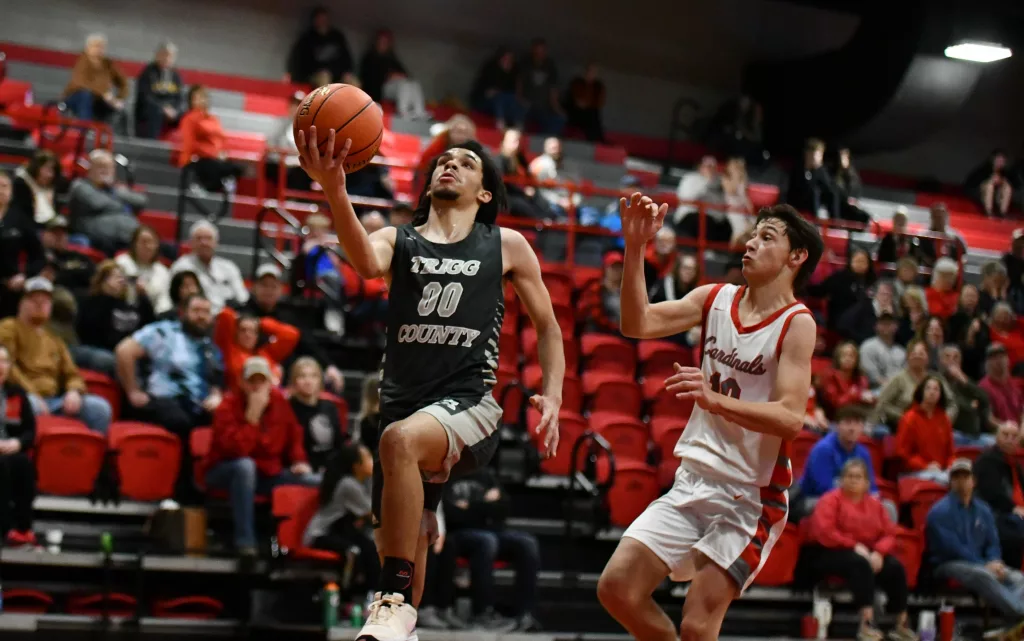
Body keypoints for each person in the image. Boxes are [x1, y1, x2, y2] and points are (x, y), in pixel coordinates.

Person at [295, 126, 564, 640]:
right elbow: (364, 262)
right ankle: (402, 620)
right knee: (405, 538)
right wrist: (334, 189)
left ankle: (390, 597)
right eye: (444, 160)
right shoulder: (399, 239)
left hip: (469, 402)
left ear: (485, 193)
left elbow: (548, 327)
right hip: (402, 404)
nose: (450, 164)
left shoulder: (505, 244)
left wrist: (553, 395)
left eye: (466, 162)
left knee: (400, 448)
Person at [597, 199, 823, 641]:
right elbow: (636, 322)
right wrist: (635, 248)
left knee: (698, 626)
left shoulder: (797, 323)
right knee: (617, 588)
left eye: (767, 237)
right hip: (693, 481)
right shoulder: (715, 298)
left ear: (796, 257)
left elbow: (790, 418)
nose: (750, 243)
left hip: (749, 496)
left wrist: (715, 401)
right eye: (753, 234)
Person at [205, 356, 315, 555]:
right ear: (242, 383)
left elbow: (294, 435)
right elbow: (236, 451)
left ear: (269, 383)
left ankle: (309, 544)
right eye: (251, 381)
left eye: (261, 381)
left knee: (316, 481)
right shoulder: (227, 406)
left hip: (267, 473)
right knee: (245, 467)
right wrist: (252, 418)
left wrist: (299, 461)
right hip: (224, 471)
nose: (256, 386)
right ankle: (245, 543)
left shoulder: (279, 403)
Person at [802, 459, 916, 641]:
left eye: (858, 477)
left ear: (867, 483)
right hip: (828, 551)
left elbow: (890, 533)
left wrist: (879, 552)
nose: (853, 480)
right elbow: (824, 532)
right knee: (859, 564)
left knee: (895, 567)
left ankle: (900, 623)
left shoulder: (876, 505)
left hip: (867, 552)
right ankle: (866, 623)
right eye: (849, 476)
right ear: (841, 480)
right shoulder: (829, 500)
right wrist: (853, 545)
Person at [0, 277, 112, 435]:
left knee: (99, 408)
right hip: (22, 396)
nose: (40, 304)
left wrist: (74, 391)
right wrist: (32, 394)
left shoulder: (55, 339)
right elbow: (7, 367)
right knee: (29, 404)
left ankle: (91, 450)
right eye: (34, 300)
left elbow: (72, 373)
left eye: (45, 301)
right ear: (21, 303)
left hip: (54, 400)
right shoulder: (8, 327)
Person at [926, 459, 1024, 627]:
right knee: (982, 574)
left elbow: (993, 542)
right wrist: (984, 564)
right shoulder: (939, 512)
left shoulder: (983, 509)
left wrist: (994, 560)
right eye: (956, 477)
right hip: (948, 564)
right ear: (950, 482)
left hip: (981, 563)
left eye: (965, 477)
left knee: (1018, 578)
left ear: (974, 481)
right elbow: (954, 549)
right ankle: (1019, 613)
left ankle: (1012, 622)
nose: (961, 481)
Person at [305, 442, 378, 592]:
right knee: (354, 551)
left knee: (371, 547)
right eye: (368, 458)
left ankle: (371, 594)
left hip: (342, 532)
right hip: (321, 535)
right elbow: (375, 515)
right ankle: (347, 596)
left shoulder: (365, 481)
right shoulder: (348, 485)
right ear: (356, 466)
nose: (373, 461)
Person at [0, 344, 38, 548]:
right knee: (2, 466)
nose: (1, 366)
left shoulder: (17, 394)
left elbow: (30, 431)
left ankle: (24, 529)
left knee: (24, 463)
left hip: (10, 451)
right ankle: (5, 528)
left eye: (4, 361)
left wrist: (18, 442)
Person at [973, 422, 1024, 569]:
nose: (1009, 440)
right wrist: (1014, 508)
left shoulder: (1014, 464)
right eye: (1005, 435)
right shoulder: (987, 460)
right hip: (992, 514)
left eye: (1014, 436)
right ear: (996, 437)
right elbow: (991, 493)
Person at [288, 357, 345, 474]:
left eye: (313, 376)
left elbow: (339, 443)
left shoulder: (330, 406)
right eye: (302, 376)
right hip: (302, 468)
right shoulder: (288, 408)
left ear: (320, 380)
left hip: (330, 468)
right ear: (294, 381)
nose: (308, 381)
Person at [134, 42, 185, 139]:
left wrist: (175, 110)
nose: (167, 58)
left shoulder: (176, 76)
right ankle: (152, 143)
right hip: (151, 109)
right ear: (157, 55)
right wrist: (163, 108)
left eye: (170, 56)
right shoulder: (148, 73)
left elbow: (180, 98)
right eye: (164, 55)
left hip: (171, 109)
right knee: (155, 112)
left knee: (186, 116)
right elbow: (146, 97)